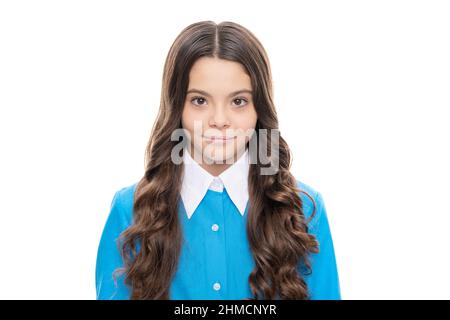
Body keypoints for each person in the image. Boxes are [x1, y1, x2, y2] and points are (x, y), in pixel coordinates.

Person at [95, 20, 341, 300]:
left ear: (259, 109)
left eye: (238, 101)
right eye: (200, 101)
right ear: (178, 107)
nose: (220, 121)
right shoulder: (129, 210)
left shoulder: (305, 209)